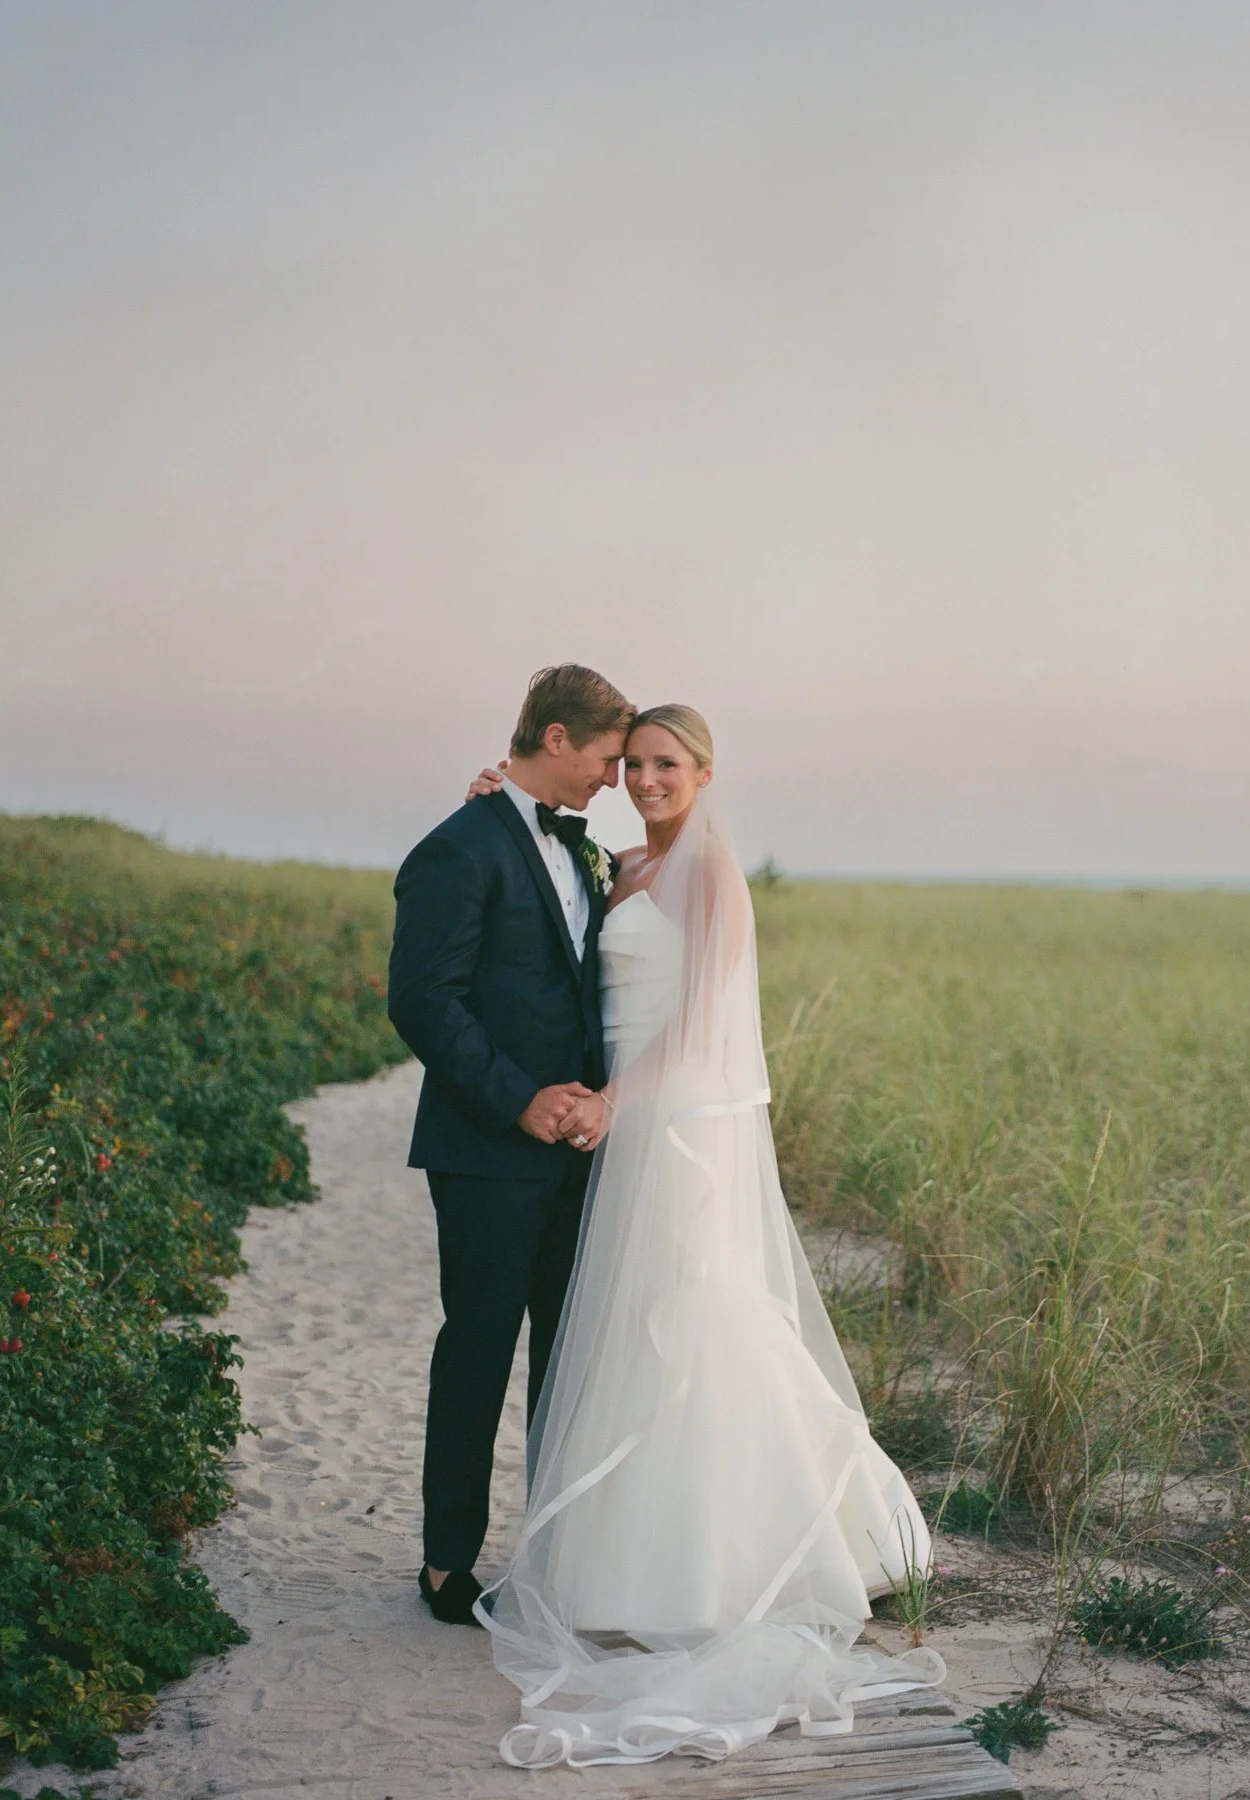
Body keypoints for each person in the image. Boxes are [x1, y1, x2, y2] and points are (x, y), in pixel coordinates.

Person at [460, 705, 942, 1767]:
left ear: (705, 771)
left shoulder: (713, 874)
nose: (643, 780)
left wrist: (615, 1098)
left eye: (664, 765)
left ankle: (727, 1559)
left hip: (676, 1126)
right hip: (624, 1131)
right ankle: (617, 1565)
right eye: (630, 765)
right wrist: (498, 802)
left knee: (699, 1306)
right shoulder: (616, 862)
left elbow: (698, 1016)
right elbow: (554, 896)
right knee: (635, 1323)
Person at [386, 663, 635, 1626]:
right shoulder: (458, 847)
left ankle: (553, 1553)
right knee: (479, 1350)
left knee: (566, 1361)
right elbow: (422, 1001)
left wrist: (590, 1105)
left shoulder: (587, 851)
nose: (612, 783)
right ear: (558, 737)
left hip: (580, 1152)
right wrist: (518, 1101)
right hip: (487, 1148)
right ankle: (447, 1562)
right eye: (607, 761)